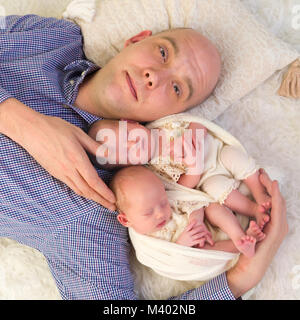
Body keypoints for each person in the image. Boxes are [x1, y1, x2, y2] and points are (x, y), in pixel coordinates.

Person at [0, 14, 288, 299]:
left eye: (177, 88)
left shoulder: (94, 212)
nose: (155, 76)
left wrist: (241, 279)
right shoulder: (55, 37)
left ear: (171, 117)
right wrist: (25, 124)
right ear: (135, 41)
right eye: (163, 52)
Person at [89, 117, 269, 257]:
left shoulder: (165, 124)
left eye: (128, 136)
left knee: (234, 156)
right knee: (216, 189)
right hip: (208, 177)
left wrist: (191, 137)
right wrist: (193, 167)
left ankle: (260, 194)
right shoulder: (152, 173)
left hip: (218, 153)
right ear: (128, 165)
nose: (133, 145)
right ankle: (254, 209)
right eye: (126, 153)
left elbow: (200, 124)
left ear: (130, 122)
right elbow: (185, 187)